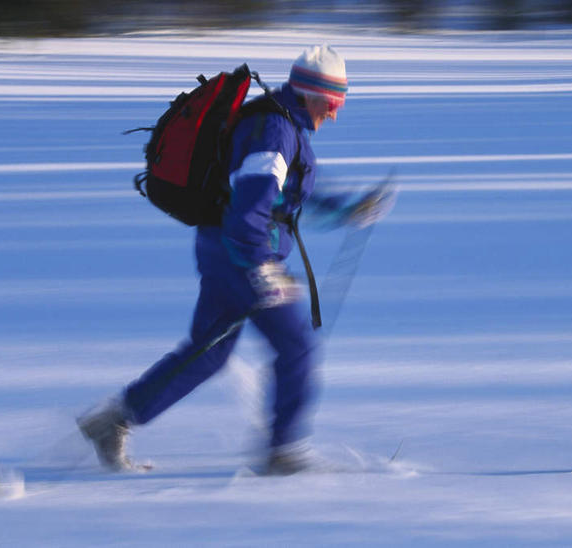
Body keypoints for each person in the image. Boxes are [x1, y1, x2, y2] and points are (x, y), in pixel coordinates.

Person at [78, 45, 391, 475]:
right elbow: (251, 204)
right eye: (333, 103)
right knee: (295, 346)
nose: (335, 114)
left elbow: (291, 190)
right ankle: (283, 452)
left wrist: (347, 209)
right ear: (312, 93)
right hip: (239, 255)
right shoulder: (274, 131)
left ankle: (113, 420)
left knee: (208, 351)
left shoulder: (281, 125)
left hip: (224, 248)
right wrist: (260, 267)